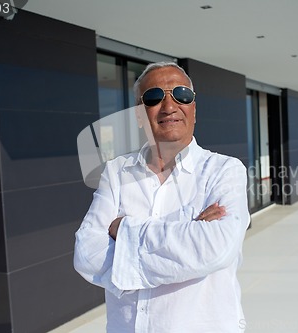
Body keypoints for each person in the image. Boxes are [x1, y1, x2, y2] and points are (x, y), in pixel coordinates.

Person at [74, 61, 250, 333]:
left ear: (193, 108)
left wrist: (124, 230)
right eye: (154, 97)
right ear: (139, 115)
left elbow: (217, 249)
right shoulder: (117, 171)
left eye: (181, 95)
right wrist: (189, 235)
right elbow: (87, 254)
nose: (169, 106)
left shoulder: (225, 170)